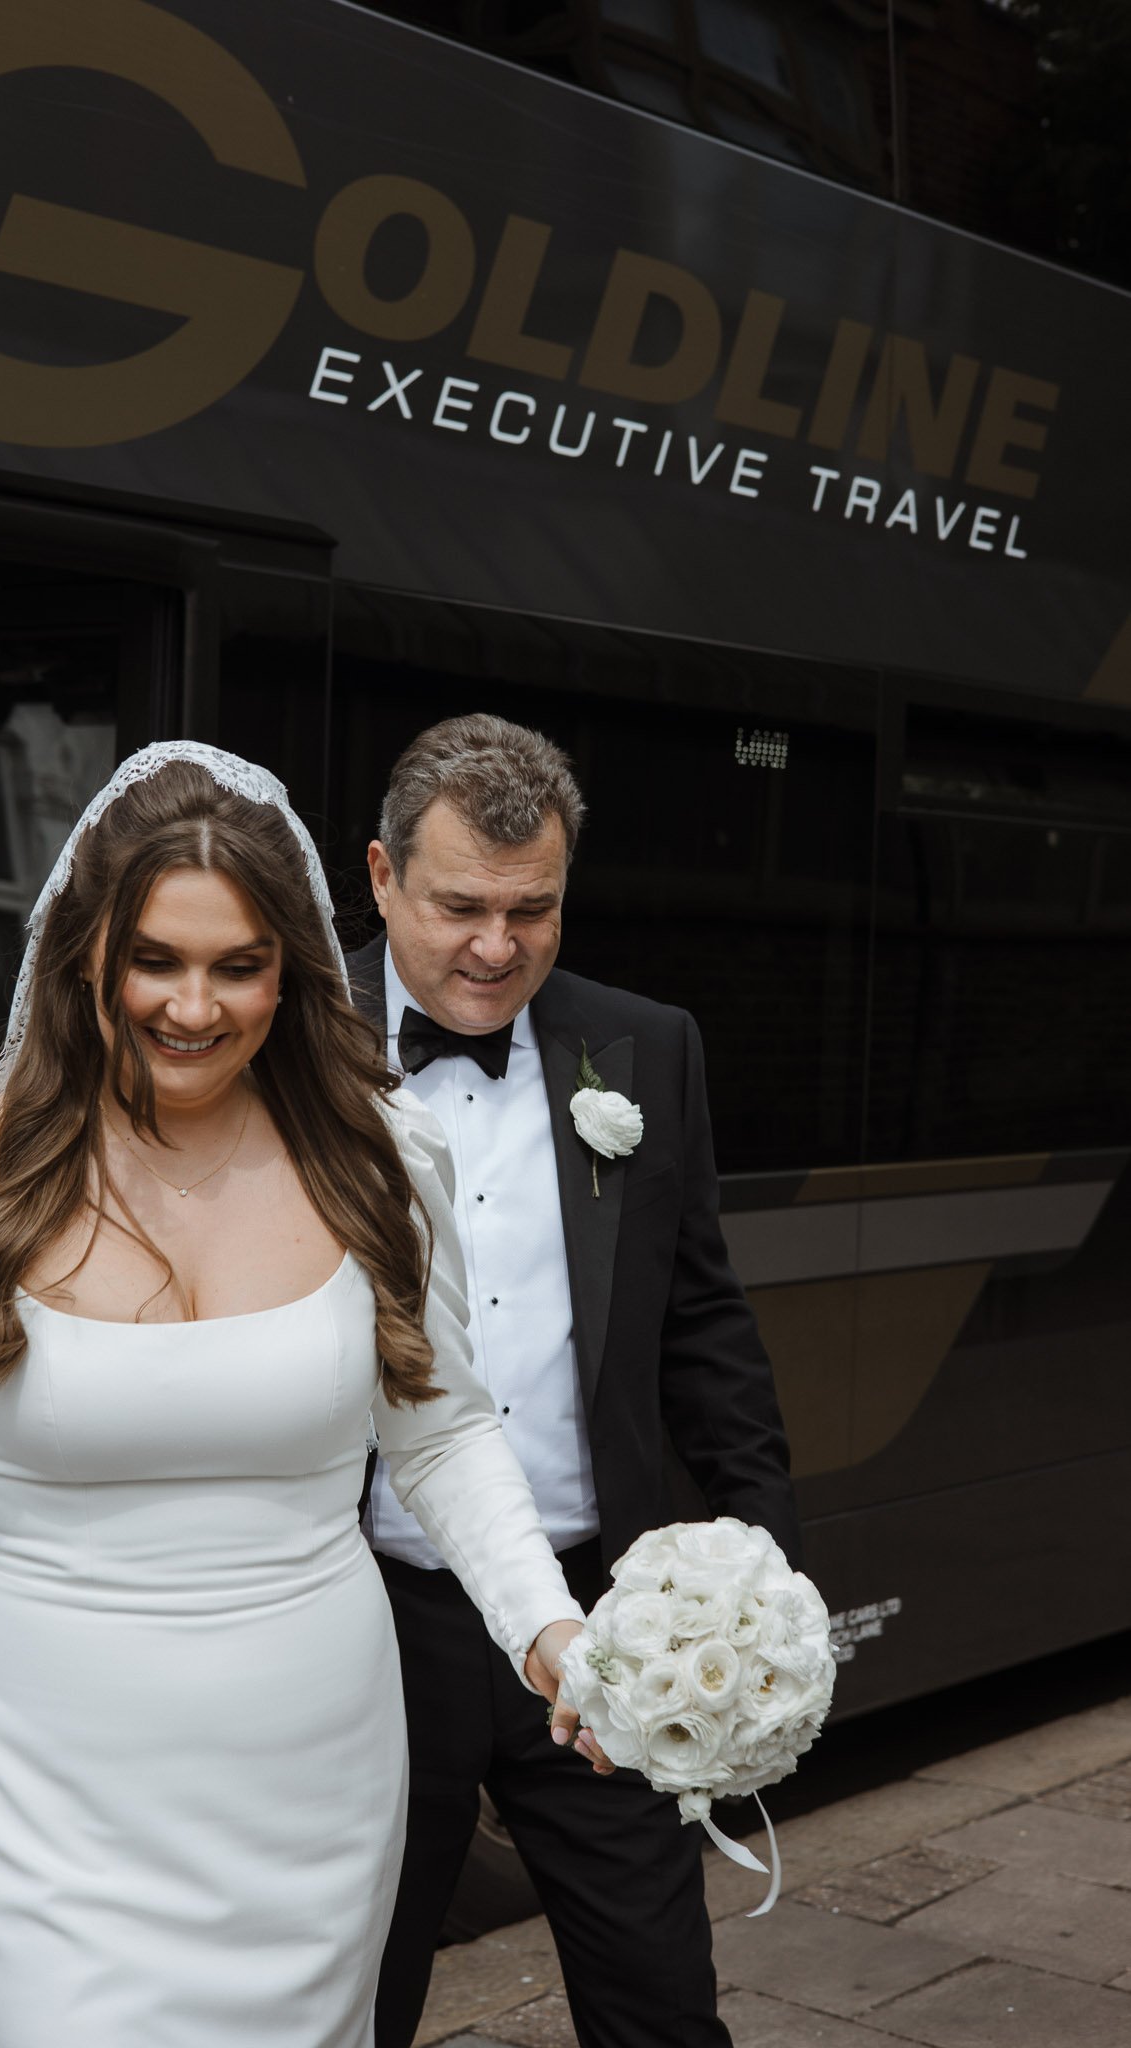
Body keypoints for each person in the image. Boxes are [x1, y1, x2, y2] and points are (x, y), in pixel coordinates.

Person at [0, 743, 611, 2048]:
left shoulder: (380, 1161)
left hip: (311, 1785)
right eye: (156, 960)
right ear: (88, 960)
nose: (195, 1005)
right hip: (43, 1787)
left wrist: (548, 1630)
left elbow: (444, 1429)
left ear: (288, 973)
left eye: (238, 965)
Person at [350, 713, 802, 2048]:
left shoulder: (641, 1047)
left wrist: (765, 1576)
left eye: (532, 911)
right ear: (379, 879)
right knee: (354, 1998)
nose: (498, 948)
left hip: (600, 1615)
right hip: (368, 1619)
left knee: (659, 2002)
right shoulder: (283, 1039)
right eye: (460, 909)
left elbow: (702, 1325)